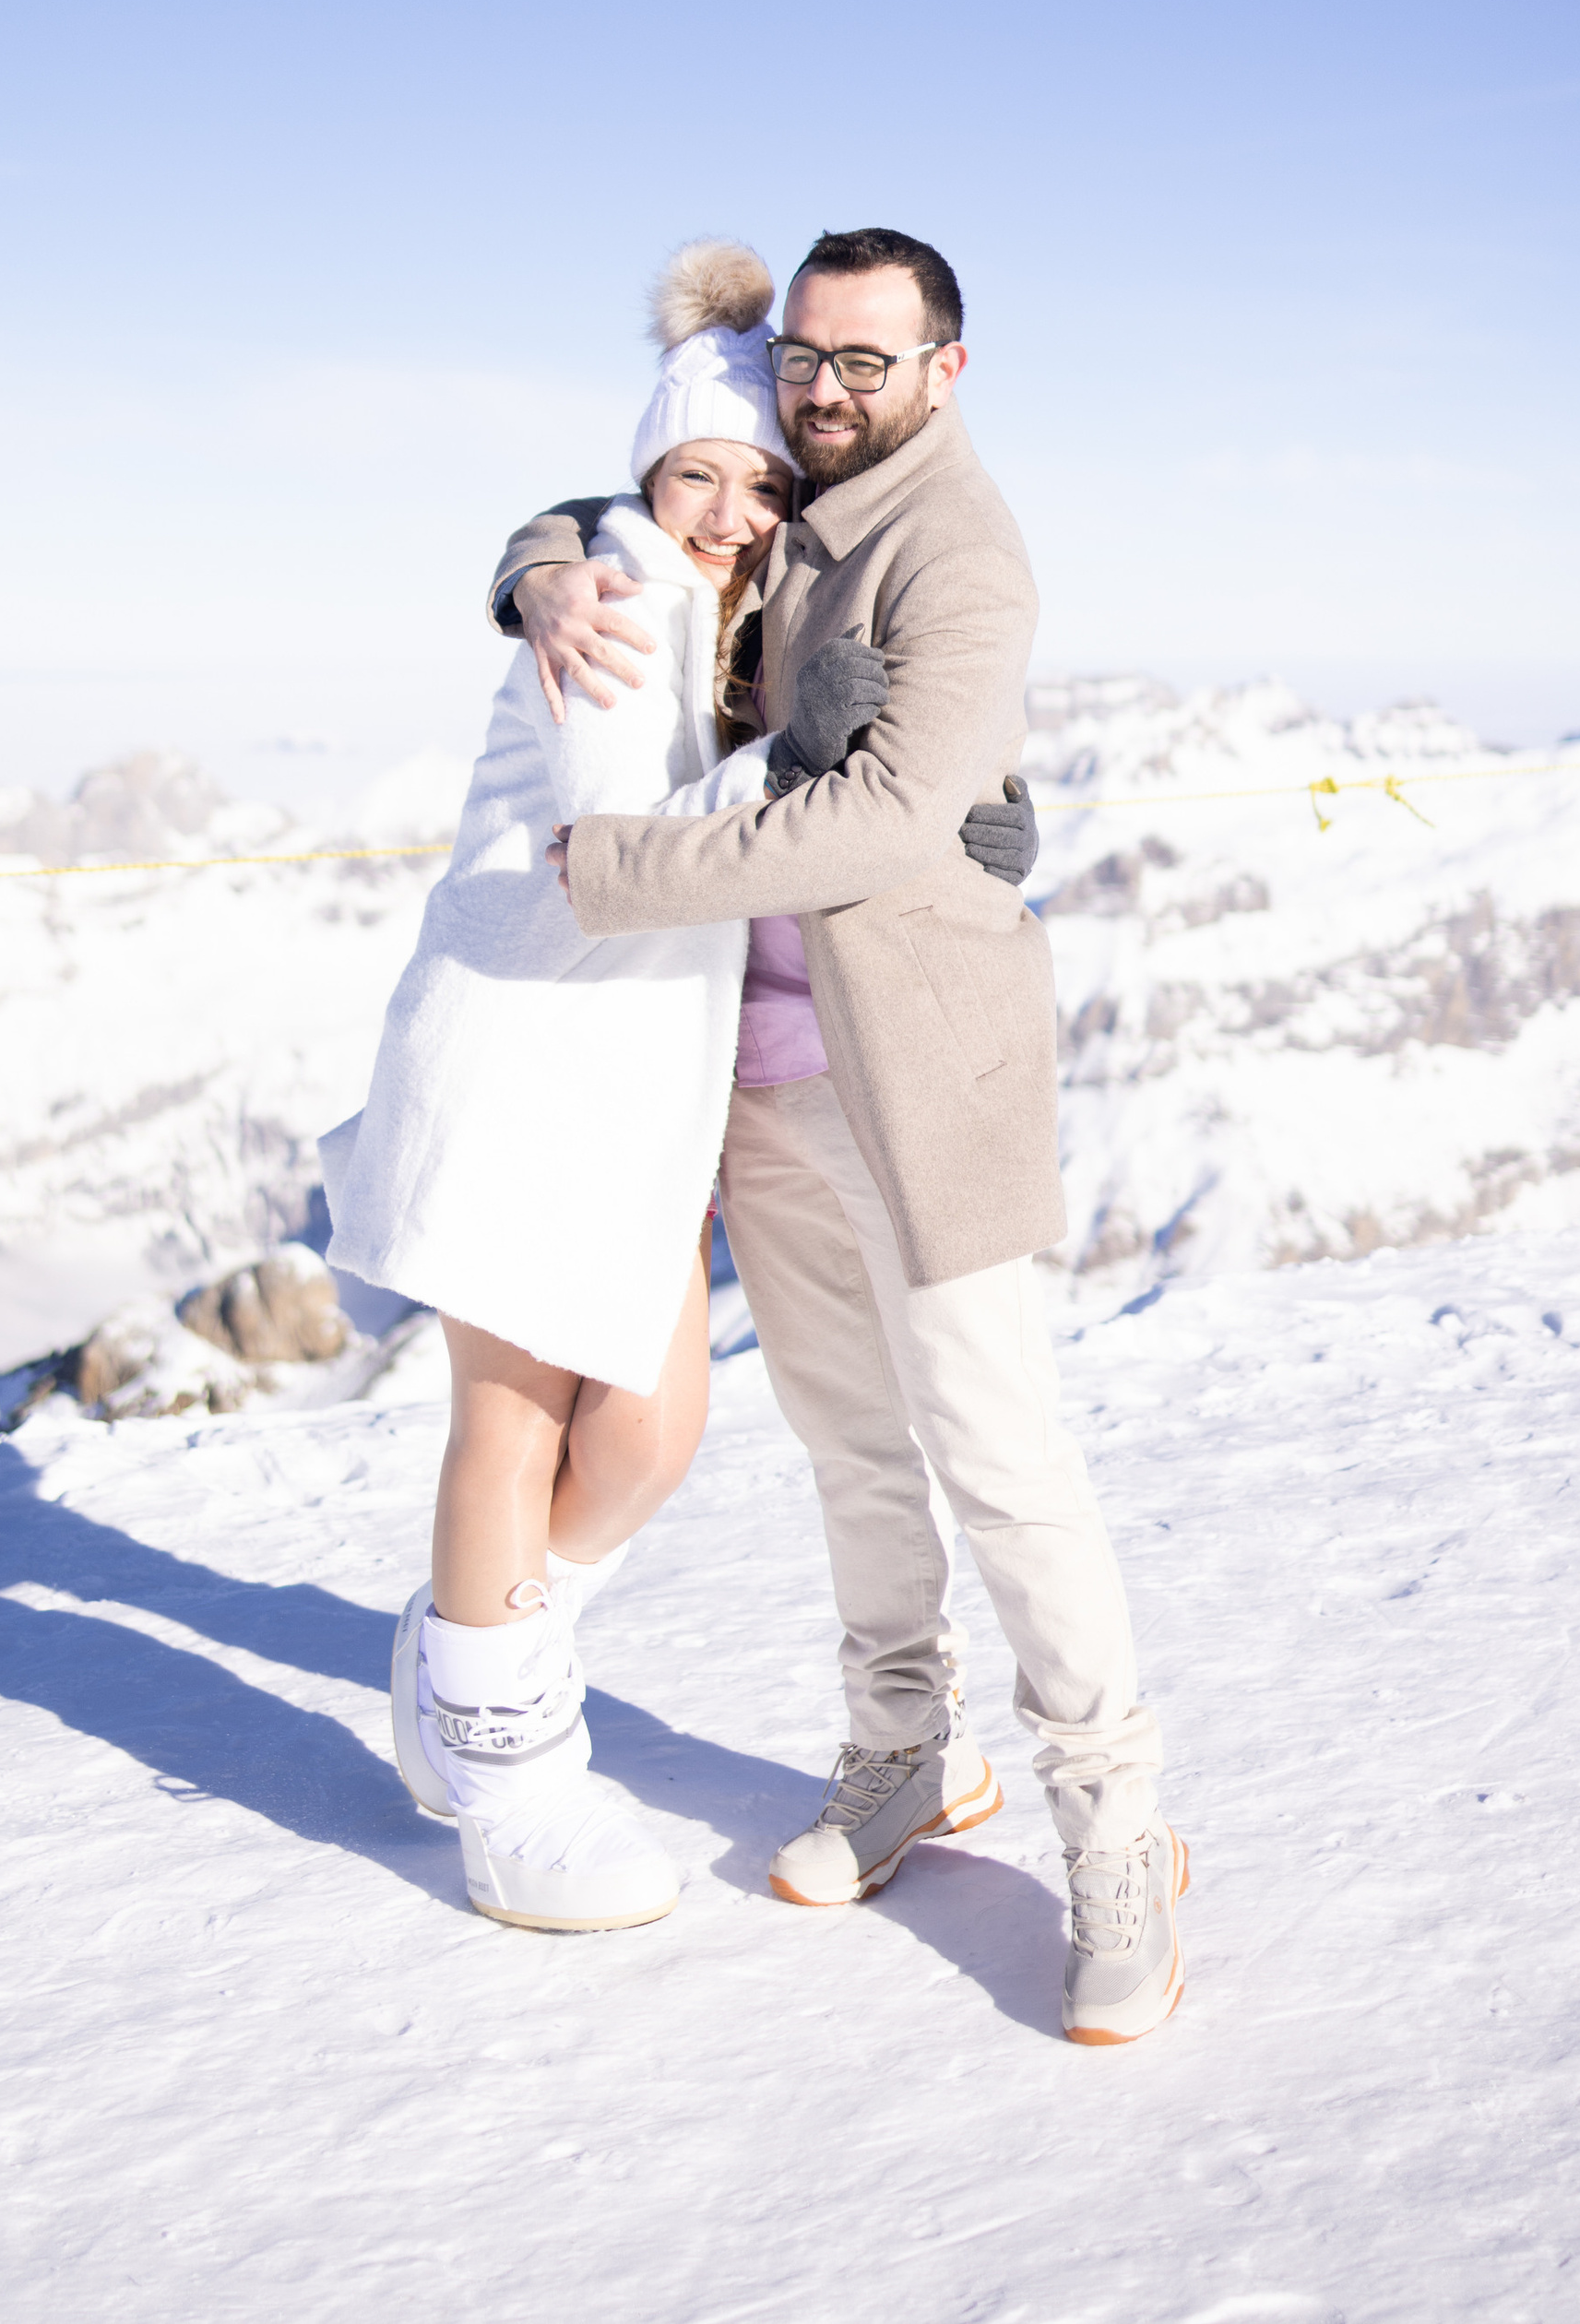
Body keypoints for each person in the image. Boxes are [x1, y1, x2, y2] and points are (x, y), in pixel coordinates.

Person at [500, 225, 1186, 2046]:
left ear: (943, 368)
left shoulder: (958, 548)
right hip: (767, 1076)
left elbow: (882, 816)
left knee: (995, 1446)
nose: (818, 387)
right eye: (803, 354)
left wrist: (618, 871)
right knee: (848, 1441)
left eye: (862, 361)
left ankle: (1116, 1830)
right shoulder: (793, 482)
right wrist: (535, 570)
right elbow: (632, 504)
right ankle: (902, 1743)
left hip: (921, 1074)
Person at [320, 242, 1031, 1940]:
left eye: (760, 481)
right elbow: (614, 825)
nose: (726, 508)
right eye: (696, 475)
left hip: (634, 1090)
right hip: (518, 1051)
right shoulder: (626, 594)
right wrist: (810, 761)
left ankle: (469, 1646)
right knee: (517, 1416)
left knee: (647, 1433)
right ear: (649, 477)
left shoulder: (730, 607)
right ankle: (510, 1785)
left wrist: (925, 802)